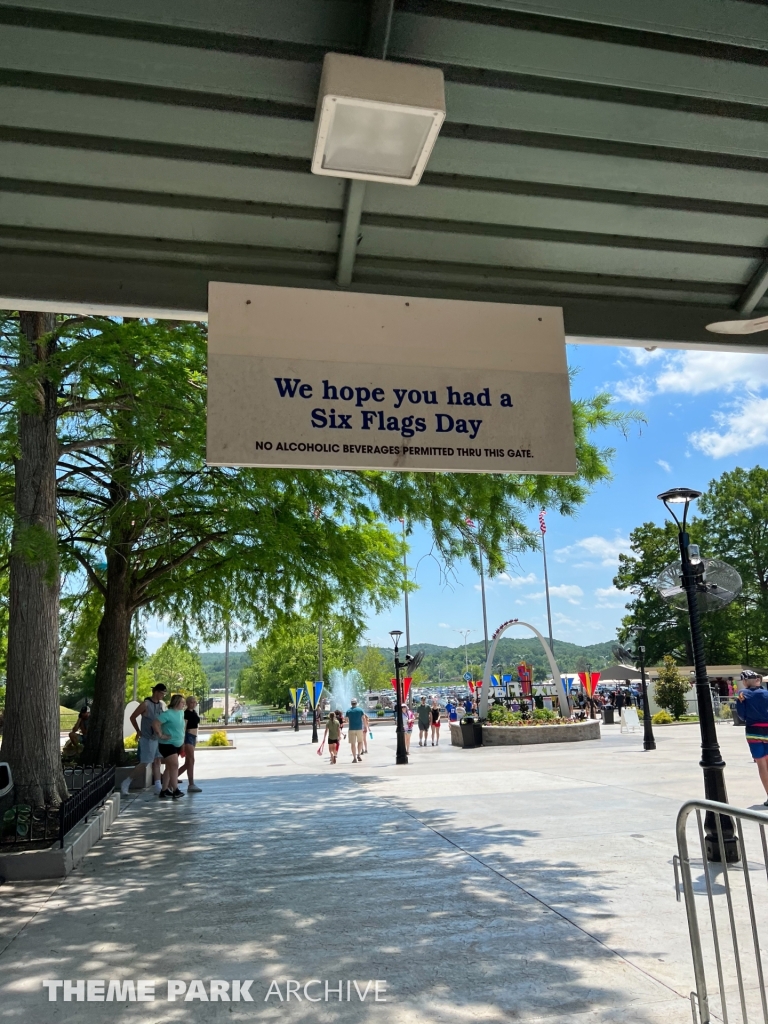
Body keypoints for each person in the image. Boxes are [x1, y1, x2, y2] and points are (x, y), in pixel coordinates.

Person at [737, 671, 768, 806]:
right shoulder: (766, 694)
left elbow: (742, 716)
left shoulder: (742, 695)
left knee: (761, 764)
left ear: (744, 681)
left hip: (753, 732)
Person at [130, 683, 167, 795]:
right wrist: (138, 730)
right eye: (162, 693)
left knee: (157, 761)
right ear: (156, 692)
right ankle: (127, 781)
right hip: (147, 738)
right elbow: (132, 717)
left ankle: (158, 786)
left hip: (156, 738)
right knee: (145, 763)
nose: (163, 696)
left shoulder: (160, 705)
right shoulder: (145, 704)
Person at [152, 693, 187, 799]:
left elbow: (181, 727)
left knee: (169, 768)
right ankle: (175, 789)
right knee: (175, 765)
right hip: (167, 744)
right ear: (176, 702)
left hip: (177, 744)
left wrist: (183, 742)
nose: (183, 704)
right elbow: (155, 723)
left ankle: (164, 790)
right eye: (182, 702)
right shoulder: (167, 714)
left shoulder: (181, 712)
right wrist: (161, 735)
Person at [177, 695, 202, 792]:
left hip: (193, 737)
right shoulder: (185, 714)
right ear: (187, 703)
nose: (193, 704)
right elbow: (184, 727)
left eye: (194, 702)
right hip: (188, 737)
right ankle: (191, 784)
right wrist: (183, 742)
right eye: (191, 702)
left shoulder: (194, 713)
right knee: (191, 760)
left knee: (188, 762)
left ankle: (173, 776)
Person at [346, 698, 366, 763]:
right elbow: (364, 718)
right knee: (360, 742)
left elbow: (346, 720)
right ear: (356, 703)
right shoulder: (360, 710)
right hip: (359, 728)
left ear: (351, 703)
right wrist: (365, 726)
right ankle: (359, 754)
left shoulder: (348, 711)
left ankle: (354, 758)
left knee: (353, 744)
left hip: (351, 729)